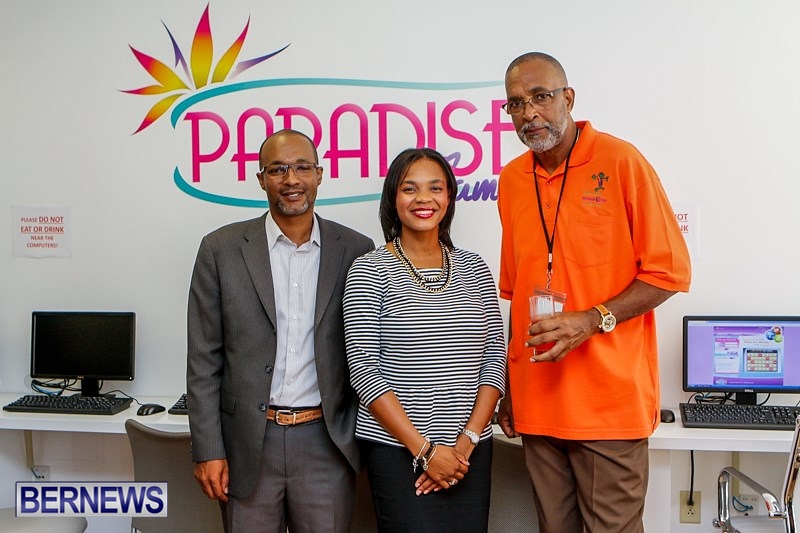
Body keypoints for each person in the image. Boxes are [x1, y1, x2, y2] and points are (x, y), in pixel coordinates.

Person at [496, 52, 692, 533]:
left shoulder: (621, 161)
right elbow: (517, 293)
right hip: (538, 404)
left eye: (541, 97)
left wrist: (592, 318)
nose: (529, 112)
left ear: (568, 98)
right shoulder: (512, 180)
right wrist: (510, 387)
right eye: (516, 103)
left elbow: (669, 272)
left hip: (609, 406)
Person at [186, 128, 375, 533]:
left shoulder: (356, 250)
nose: (291, 179)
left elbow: (368, 351)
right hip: (247, 445)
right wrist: (208, 448)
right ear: (261, 179)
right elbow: (203, 360)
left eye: (302, 167)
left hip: (326, 443)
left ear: (319, 174)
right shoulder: (220, 249)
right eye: (278, 169)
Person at [343, 147, 506, 532]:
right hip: (397, 451)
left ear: (448, 198)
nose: (423, 199)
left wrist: (466, 444)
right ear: (393, 199)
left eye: (435, 188)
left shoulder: (474, 267)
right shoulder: (369, 269)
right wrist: (426, 452)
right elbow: (364, 371)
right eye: (409, 188)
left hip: (470, 452)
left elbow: (494, 359)